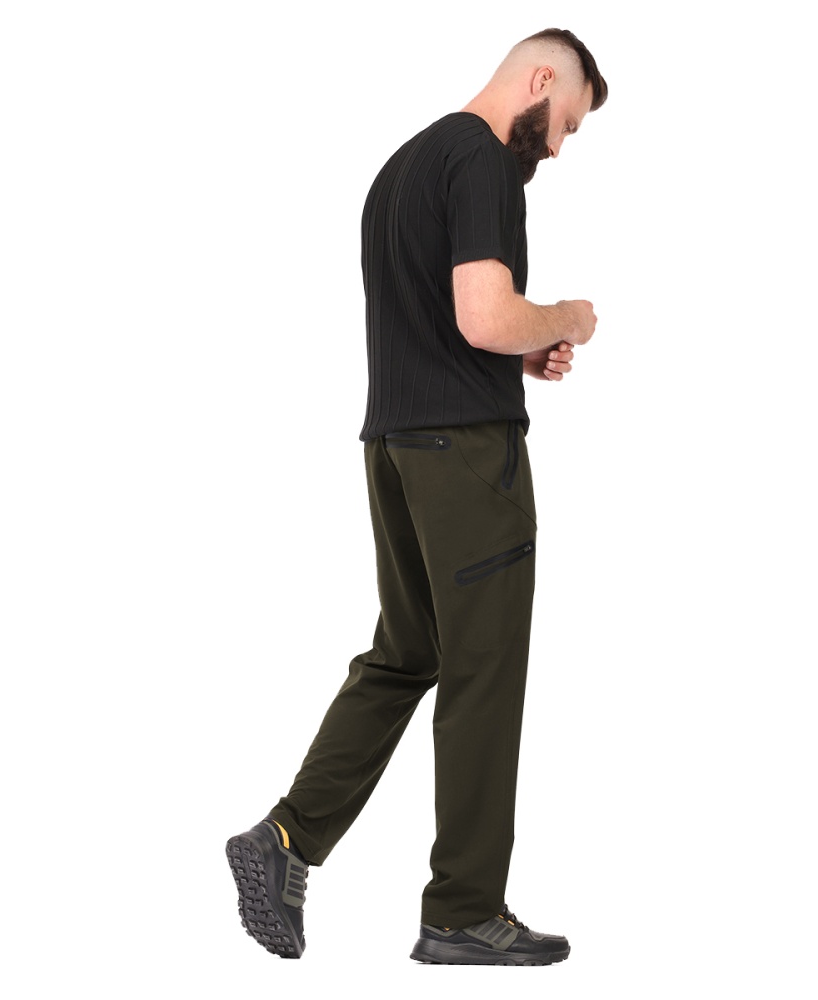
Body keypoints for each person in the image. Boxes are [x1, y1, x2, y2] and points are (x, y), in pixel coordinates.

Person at [226, 26, 608, 967]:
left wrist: (518, 353)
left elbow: (444, 323)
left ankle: (284, 839)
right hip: (468, 460)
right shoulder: (483, 162)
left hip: (394, 448)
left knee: (408, 654)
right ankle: (463, 910)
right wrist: (563, 318)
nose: (559, 147)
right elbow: (483, 314)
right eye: (566, 122)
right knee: (484, 671)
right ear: (541, 77)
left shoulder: (407, 164)